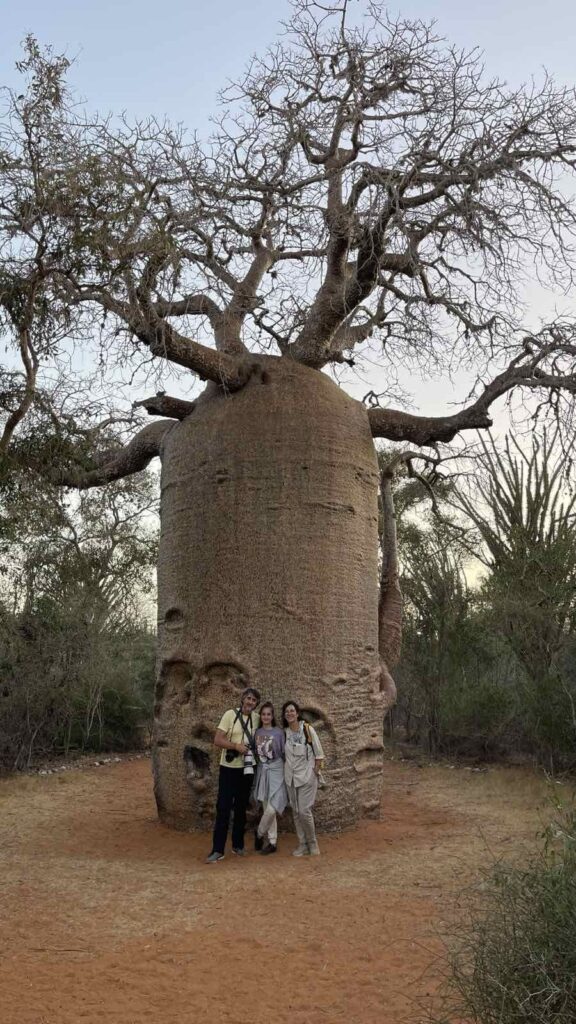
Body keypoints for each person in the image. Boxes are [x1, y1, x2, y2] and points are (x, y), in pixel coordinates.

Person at [205, 686, 260, 863]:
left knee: (241, 808)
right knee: (223, 808)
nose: (250, 702)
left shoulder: (257, 718)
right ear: (242, 698)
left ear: (256, 704)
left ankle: (238, 845)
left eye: (254, 700)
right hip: (228, 768)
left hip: (247, 768)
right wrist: (236, 747)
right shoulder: (230, 715)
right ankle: (217, 849)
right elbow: (217, 739)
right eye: (248, 698)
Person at [282, 700, 324, 857]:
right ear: (284, 716)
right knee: (295, 811)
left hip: (307, 776)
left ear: (297, 713)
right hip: (290, 778)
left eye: (292, 711)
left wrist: (315, 772)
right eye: (287, 712)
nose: (290, 713)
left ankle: (313, 843)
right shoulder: (284, 732)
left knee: (304, 811)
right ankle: (302, 844)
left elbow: (319, 754)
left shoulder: (307, 729)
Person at [253, 702, 287, 855]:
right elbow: (255, 753)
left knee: (272, 809)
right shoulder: (257, 732)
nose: (266, 716)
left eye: (269, 714)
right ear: (261, 716)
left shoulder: (279, 733)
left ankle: (259, 833)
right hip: (263, 771)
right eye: (264, 714)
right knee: (267, 807)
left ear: (273, 716)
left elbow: (283, 752)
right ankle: (272, 842)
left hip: (277, 769)